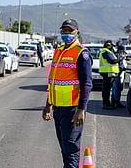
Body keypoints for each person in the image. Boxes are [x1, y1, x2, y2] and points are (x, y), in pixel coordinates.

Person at [42, 18, 93, 168]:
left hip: (72, 109)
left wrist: (81, 110)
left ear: (76, 32)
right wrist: (48, 105)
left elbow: (86, 84)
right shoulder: (59, 51)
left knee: (71, 150)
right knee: (64, 149)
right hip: (58, 108)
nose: (66, 33)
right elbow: (53, 81)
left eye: (69, 31)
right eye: (64, 30)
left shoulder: (81, 54)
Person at [99, 40, 123, 109]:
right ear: (109, 45)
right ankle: (106, 104)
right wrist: (120, 59)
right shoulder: (105, 51)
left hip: (110, 72)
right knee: (106, 89)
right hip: (107, 72)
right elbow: (111, 61)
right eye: (112, 46)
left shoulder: (109, 51)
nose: (113, 47)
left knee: (108, 89)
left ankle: (109, 103)